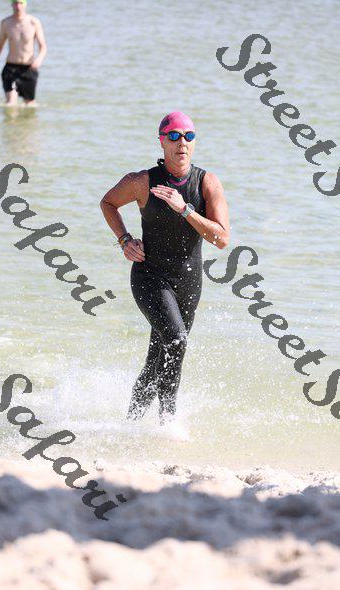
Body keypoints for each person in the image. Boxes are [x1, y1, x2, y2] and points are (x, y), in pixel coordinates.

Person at [100, 111, 230, 425]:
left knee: (160, 355)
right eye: (173, 136)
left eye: (188, 136)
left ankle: (130, 424)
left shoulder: (207, 183)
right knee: (176, 340)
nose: (181, 142)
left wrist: (185, 210)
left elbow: (222, 239)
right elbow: (108, 203)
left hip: (189, 282)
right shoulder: (142, 182)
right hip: (150, 276)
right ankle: (167, 421)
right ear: (162, 142)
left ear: (194, 143)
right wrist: (124, 240)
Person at [0, 0, 47, 106]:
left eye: (20, 3)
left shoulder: (34, 22)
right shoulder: (6, 23)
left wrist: (39, 60)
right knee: (11, 103)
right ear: (12, 4)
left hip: (29, 69)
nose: (18, 6)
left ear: (25, 4)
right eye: (15, 3)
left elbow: (43, 46)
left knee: (29, 104)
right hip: (10, 68)